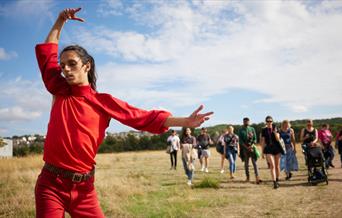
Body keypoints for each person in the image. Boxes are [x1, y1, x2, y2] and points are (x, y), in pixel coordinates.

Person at [34, 8, 213, 217]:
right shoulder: (59, 89)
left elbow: (141, 117)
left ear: (87, 66)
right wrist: (60, 20)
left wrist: (185, 121)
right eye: (62, 65)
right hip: (51, 185)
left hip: (84, 189)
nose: (65, 69)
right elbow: (48, 52)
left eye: (72, 64)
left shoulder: (103, 101)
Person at [260, 116, 283, 189]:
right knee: (272, 165)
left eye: (270, 121)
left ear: (272, 121)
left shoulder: (276, 128)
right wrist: (262, 152)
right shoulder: (264, 130)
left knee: (277, 166)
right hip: (269, 148)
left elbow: (278, 139)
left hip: (277, 148)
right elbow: (263, 141)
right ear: (266, 122)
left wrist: (275, 132)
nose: (269, 122)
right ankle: (274, 182)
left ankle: (277, 179)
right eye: (268, 121)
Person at [238, 117, 261, 184]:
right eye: (245, 121)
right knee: (246, 164)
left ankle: (257, 177)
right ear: (243, 122)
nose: (246, 122)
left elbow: (255, 139)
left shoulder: (252, 129)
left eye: (247, 121)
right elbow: (240, 141)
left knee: (254, 163)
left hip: (252, 148)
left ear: (249, 122)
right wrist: (246, 147)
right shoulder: (241, 130)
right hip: (245, 149)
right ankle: (247, 177)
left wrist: (251, 146)